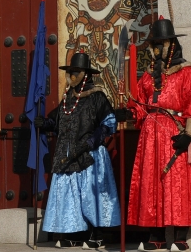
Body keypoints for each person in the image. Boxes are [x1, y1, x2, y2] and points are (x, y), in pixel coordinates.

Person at [128, 17, 191, 251]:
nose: (156, 49)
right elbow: (140, 105)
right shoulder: (147, 76)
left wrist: (189, 134)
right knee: (152, 183)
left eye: (161, 44)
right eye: (154, 45)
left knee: (177, 183)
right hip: (150, 138)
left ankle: (179, 237)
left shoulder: (187, 73)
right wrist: (128, 111)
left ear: (172, 44)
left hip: (175, 134)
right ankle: (155, 236)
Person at [35, 50, 120, 248]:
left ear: (85, 75)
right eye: (70, 72)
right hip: (68, 155)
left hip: (90, 155)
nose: (72, 75)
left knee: (92, 196)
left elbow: (110, 122)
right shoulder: (68, 100)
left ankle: (97, 234)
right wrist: (44, 122)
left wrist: (92, 141)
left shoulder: (97, 97)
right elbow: (56, 122)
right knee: (71, 196)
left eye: (76, 72)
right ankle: (77, 234)